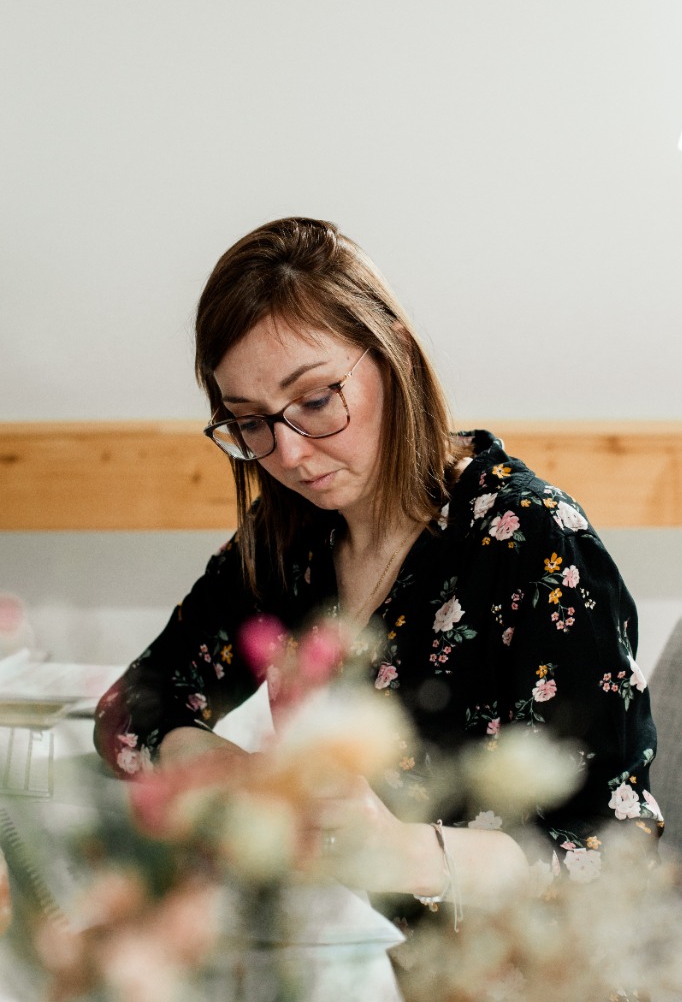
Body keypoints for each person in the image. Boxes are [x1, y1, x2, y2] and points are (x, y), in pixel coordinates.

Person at [94, 216, 661, 961]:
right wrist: (218, 767)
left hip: (498, 974)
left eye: (317, 401)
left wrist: (401, 850)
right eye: (249, 424)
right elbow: (129, 709)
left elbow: (614, 856)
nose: (289, 454)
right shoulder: (293, 537)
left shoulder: (530, 541)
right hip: (328, 953)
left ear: (391, 347)